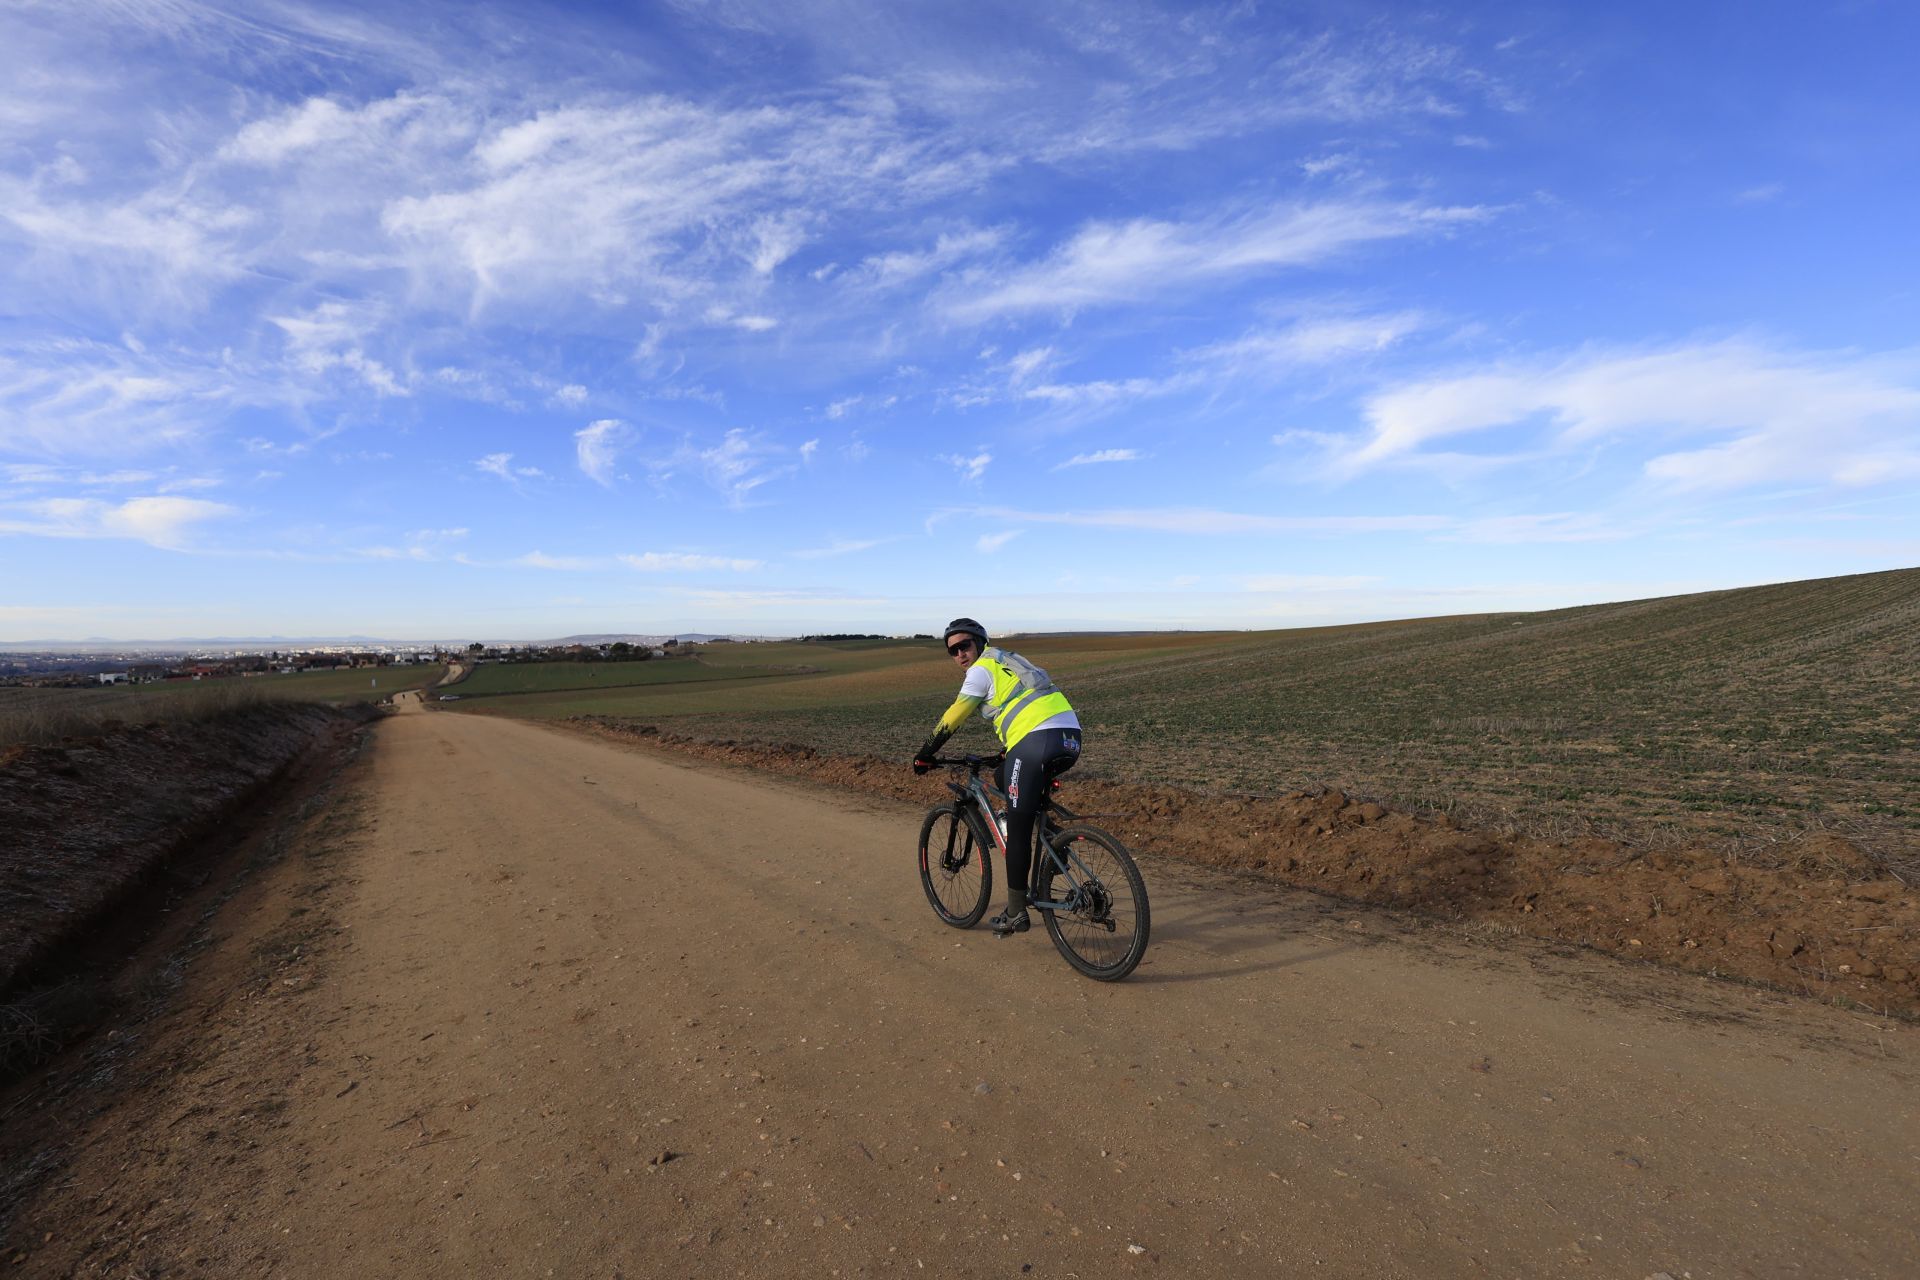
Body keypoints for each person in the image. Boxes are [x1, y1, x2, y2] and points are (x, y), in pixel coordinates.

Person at [912, 618, 1081, 937]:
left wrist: (925, 752)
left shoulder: (980, 671)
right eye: (952, 651)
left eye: (964, 645)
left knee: (1017, 830)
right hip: (1068, 737)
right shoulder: (1008, 659)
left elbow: (955, 715)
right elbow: (1026, 703)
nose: (960, 654)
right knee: (1007, 777)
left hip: (1036, 739)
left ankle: (1017, 912)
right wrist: (1006, 752)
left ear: (979, 642)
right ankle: (1056, 844)